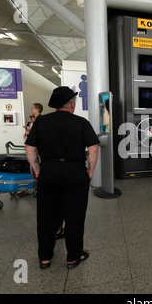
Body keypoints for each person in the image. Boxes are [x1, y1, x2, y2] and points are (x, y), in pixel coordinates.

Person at [25, 86, 99, 269]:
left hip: (49, 172)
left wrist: (37, 169)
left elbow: (30, 148)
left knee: (46, 217)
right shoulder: (81, 123)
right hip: (75, 172)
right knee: (74, 216)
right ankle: (73, 257)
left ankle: (45, 258)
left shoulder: (41, 122)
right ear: (72, 104)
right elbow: (94, 149)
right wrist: (90, 171)